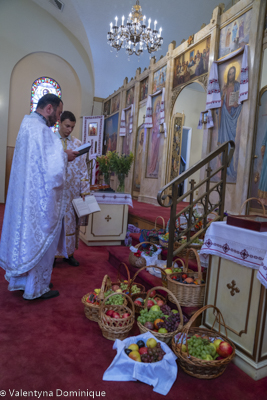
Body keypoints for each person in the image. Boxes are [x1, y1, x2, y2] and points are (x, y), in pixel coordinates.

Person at [0, 94, 78, 300]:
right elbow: (52, 171)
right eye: (59, 114)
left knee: (26, 237)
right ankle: (36, 288)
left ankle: (23, 281)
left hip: (25, 197)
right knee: (40, 235)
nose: (58, 119)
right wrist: (65, 156)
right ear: (49, 109)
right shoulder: (41, 131)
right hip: (37, 201)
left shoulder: (26, 125)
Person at [54, 111, 90, 266]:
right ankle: (53, 255)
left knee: (70, 223)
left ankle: (69, 253)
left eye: (72, 127)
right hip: (55, 192)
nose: (69, 130)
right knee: (54, 223)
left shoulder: (77, 144)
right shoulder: (51, 141)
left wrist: (84, 190)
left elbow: (83, 168)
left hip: (72, 192)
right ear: (60, 123)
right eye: (67, 126)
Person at [217, 65, 242, 180]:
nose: (231, 76)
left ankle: (230, 168)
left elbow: (240, 101)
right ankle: (223, 169)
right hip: (224, 117)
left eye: (233, 73)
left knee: (230, 142)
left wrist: (237, 105)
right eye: (229, 73)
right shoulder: (225, 86)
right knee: (223, 143)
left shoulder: (237, 85)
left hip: (232, 116)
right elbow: (221, 103)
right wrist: (222, 95)